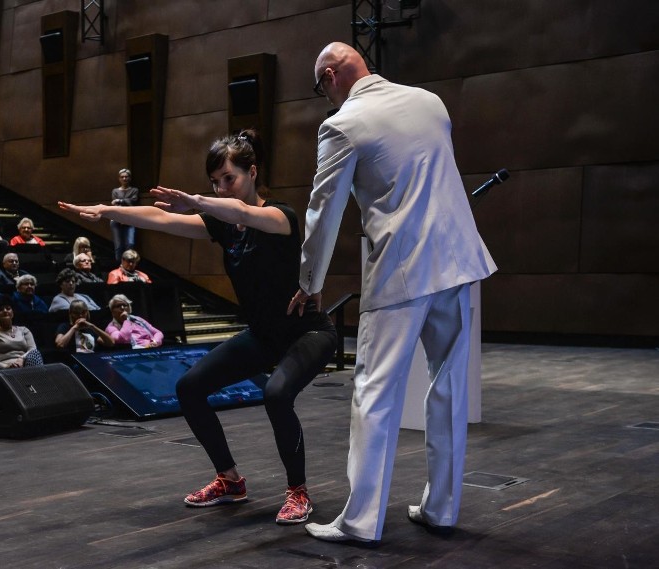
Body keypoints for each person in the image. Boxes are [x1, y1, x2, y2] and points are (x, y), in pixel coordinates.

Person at [59, 129, 337, 525]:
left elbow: (242, 213)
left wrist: (198, 200)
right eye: (215, 182)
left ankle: (298, 492)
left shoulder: (279, 216)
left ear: (252, 172)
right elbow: (161, 218)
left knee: (277, 394)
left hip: (307, 332)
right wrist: (108, 211)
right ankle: (229, 480)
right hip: (264, 335)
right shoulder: (223, 227)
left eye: (229, 179)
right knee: (189, 388)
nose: (222, 189)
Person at [287, 42, 498, 544]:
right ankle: (442, 510)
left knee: (374, 394)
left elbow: (323, 214)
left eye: (322, 88)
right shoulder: (430, 102)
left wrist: (308, 284)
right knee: (447, 387)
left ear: (333, 75)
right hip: (456, 261)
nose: (326, 98)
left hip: (403, 269)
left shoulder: (343, 125)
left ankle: (360, 522)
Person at [0, 294, 43, 368]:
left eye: (8, 308)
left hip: (26, 364)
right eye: (0, 309)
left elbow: (33, 350)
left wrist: (21, 359)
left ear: (12, 313)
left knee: (35, 353)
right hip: (4, 369)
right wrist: (6, 366)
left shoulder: (24, 330)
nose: (5, 311)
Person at [110, 168, 139, 260]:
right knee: (118, 245)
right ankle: (119, 267)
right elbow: (115, 205)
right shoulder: (115, 191)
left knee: (130, 243)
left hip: (130, 218)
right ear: (119, 179)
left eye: (126, 177)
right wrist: (125, 202)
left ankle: (130, 264)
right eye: (122, 177)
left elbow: (133, 201)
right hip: (116, 219)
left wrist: (120, 200)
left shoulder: (134, 190)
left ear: (129, 178)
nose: (124, 179)